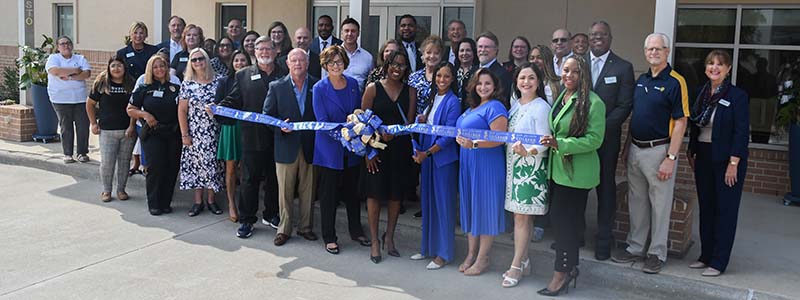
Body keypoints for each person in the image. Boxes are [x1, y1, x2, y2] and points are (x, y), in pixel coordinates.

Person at [612, 33, 689, 275]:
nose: (653, 53)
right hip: (636, 148)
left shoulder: (676, 82)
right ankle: (635, 247)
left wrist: (671, 158)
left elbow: (681, 122)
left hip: (660, 151)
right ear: (645, 52)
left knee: (660, 204)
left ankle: (657, 252)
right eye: (650, 49)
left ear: (667, 52)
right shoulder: (642, 80)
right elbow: (636, 117)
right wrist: (627, 147)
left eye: (658, 49)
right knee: (637, 202)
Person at [537, 55, 605, 296]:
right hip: (559, 171)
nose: (568, 75)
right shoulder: (562, 98)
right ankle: (570, 267)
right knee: (565, 223)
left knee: (563, 223)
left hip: (578, 174)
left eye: (574, 72)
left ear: (583, 74)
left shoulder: (593, 102)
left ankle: (561, 274)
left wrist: (560, 143)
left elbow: (595, 140)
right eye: (565, 70)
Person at [215, 37, 286, 238]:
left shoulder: (284, 73)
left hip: (278, 137)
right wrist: (218, 108)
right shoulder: (244, 75)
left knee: (274, 179)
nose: (264, 52)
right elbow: (234, 99)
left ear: (275, 51)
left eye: (268, 48)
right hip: (252, 136)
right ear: (254, 52)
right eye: (260, 48)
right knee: (249, 180)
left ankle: (271, 214)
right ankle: (247, 220)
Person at [687, 50, 749, 277]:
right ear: (705, 68)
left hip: (727, 160)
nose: (715, 68)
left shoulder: (737, 96)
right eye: (711, 64)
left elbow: (742, 132)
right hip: (703, 156)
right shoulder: (700, 94)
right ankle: (706, 256)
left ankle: (719, 261)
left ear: (728, 69)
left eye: (720, 65)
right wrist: (691, 150)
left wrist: (734, 162)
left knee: (725, 211)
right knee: (707, 208)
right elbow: (694, 125)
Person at [360, 50, 418, 264]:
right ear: (386, 65)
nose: (397, 69)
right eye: (394, 64)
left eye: (402, 65)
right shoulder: (372, 89)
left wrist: (396, 133)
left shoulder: (411, 91)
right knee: (374, 194)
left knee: (395, 196)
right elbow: (362, 123)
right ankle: (375, 240)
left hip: (399, 150)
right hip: (375, 150)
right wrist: (368, 151)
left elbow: (409, 124)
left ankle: (390, 237)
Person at [585, 21, 635, 261]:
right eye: (593, 35)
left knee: (605, 188)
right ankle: (575, 236)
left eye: (602, 35)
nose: (597, 38)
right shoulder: (577, 64)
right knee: (578, 186)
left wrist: (599, 129)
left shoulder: (623, 67)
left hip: (607, 139)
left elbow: (625, 105)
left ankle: (603, 240)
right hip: (579, 140)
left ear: (610, 38)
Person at [313, 45, 370, 255]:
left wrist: (355, 136)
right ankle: (329, 236)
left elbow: (357, 113)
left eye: (339, 62)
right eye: (331, 63)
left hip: (352, 150)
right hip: (329, 150)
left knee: (352, 194)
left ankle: (356, 231)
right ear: (325, 65)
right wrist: (344, 137)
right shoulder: (319, 88)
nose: (336, 66)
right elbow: (322, 121)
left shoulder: (354, 84)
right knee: (329, 196)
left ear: (345, 63)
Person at [454, 68, 509, 276]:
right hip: (469, 164)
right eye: (479, 83)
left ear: (495, 86)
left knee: (484, 209)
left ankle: (483, 257)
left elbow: (500, 138)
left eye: (487, 83)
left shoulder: (495, 107)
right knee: (471, 207)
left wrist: (474, 144)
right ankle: (471, 254)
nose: (483, 87)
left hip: (487, 165)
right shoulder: (472, 108)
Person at [501, 63, 552, 287]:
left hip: (531, 169)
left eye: (531, 78)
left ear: (538, 82)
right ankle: (525, 260)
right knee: (520, 217)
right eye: (522, 78)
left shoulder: (541, 107)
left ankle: (515, 266)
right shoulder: (514, 105)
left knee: (523, 217)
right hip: (513, 167)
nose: (526, 82)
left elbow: (545, 141)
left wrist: (528, 152)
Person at [263, 48, 319, 246]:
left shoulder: (317, 85)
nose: (298, 64)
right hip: (285, 146)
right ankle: (284, 229)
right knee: (284, 191)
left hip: (310, 145)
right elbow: (267, 116)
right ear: (287, 63)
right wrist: (280, 126)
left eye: (301, 60)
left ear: (307, 63)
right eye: (294, 60)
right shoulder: (276, 86)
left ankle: (306, 227)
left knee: (308, 190)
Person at [411, 62, 461, 270]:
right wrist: (419, 118)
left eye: (446, 76)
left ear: (452, 79)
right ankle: (428, 248)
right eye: (438, 76)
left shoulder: (453, 101)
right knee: (429, 204)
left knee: (443, 206)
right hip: (427, 156)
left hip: (441, 158)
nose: (441, 79)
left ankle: (444, 254)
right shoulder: (433, 98)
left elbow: (448, 135)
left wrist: (428, 153)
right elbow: (425, 122)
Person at [127, 55, 182, 216]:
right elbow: (130, 109)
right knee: (155, 167)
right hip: (153, 133)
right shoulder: (144, 87)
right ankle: (154, 203)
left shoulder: (175, 87)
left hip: (172, 132)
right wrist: (145, 115)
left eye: (162, 66)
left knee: (171, 167)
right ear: (151, 69)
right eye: (156, 67)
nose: (159, 69)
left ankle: (166, 202)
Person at [177, 48, 224, 217]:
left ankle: (211, 200)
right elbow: (182, 110)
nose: (198, 62)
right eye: (194, 60)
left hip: (214, 131)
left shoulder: (219, 81)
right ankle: (198, 202)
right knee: (196, 166)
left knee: (213, 166)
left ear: (207, 60)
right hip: (195, 133)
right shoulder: (187, 83)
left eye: (200, 59)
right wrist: (185, 135)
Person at [86, 55, 137, 202]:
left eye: (119, 65)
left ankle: (121, 190)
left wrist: (132, 126)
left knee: (124, 162)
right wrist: (93, 123)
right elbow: (89, 104)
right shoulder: (102, 83)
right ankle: (106, 191)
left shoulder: (131, 84)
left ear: (124, 67)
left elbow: (135, 106)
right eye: (113, 65)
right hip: (107, 131)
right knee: (107, 163)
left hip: (127, 131)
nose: (116, 68)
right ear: (109, 67)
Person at [214, 49, 251, 222]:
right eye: (236, 60)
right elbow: (219, 105)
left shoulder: (253, 79)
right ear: (232, 63)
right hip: (230, 128)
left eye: (243, 60)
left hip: (249, 128)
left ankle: (245, 205)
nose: (240, 63)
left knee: (245, 169)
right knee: (230, 168)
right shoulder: (224, 81)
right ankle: (231, 204)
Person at [46, 36, 93, 164]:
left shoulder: (80, 58)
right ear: (57, 47)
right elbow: (55, 71)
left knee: (83, 126)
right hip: (60, 98)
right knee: (66, 126)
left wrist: (69, 77)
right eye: (62, 44)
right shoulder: (53, 58)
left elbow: (87, 74)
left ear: (72, 45)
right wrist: (75, 70)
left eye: (68, 43)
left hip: (80, 98)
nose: (65, 45)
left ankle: (82, 153)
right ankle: (68, 154)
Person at [409, 35, 444, 115]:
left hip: (438, 123)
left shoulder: (445, 77)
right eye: (428, 52)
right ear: (423, 55)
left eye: (436, 53)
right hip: (416, 123)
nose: (432, 56)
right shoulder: (413, 77)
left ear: (441, 56)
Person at [476, 31, 512, 101]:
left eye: (487, 47)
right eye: (480, 46)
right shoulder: (472, 71)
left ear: (496, 50)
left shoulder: (502, 75)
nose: (482, 50)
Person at [340, 18, 373, 92]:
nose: (349, 34)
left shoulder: (368, 58)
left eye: (353, 31)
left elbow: (370, 83)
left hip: (359, 101)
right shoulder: (333, 55)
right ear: (341, 33)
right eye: (346, 31)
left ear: (358, 33)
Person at [454, 38, 479, 111]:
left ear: (474, 52)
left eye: (468, 50)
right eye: (462, 50)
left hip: (471, 110)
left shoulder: (477, 72)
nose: (464, 53)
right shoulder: (453, 72)